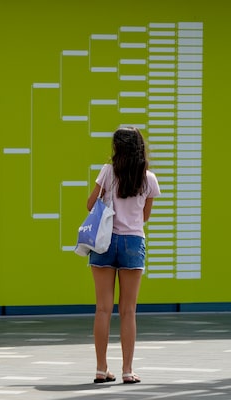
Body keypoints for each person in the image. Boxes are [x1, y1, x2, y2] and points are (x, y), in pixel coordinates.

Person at [86, 127, 161, 384]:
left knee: (102, 309)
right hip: (133, 242)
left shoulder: (108, 172)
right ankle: (128, 370)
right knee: (128, 310)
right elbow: (145, 217)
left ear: (117, 147)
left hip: (104, 241)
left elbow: (90, 204)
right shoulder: (149, 178)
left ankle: (101, 369)